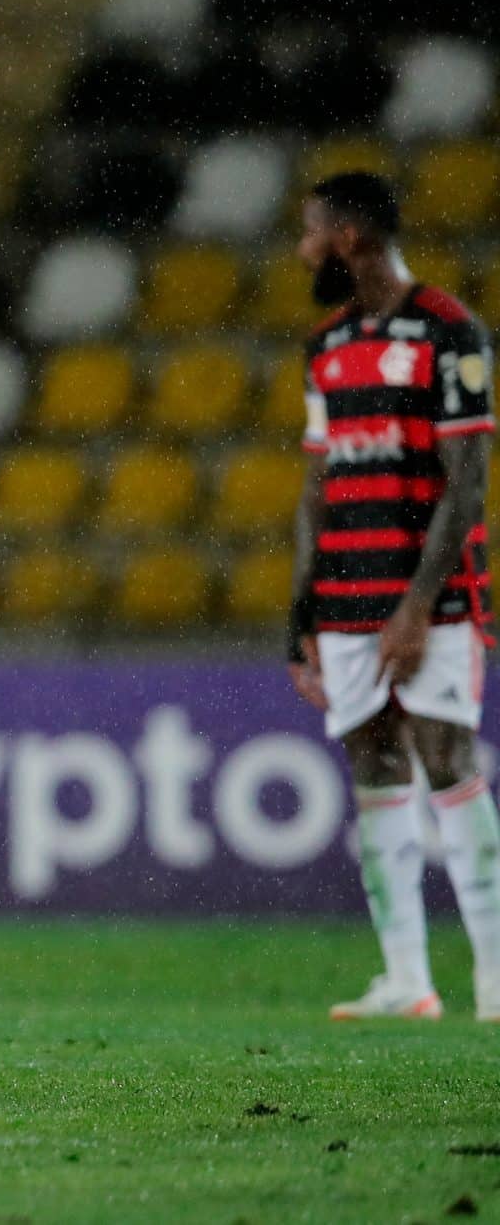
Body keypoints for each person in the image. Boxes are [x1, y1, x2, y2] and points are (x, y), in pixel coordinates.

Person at [285, 171, 500, 1022]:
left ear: (347, 237)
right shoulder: (326, 345)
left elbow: (470, 479)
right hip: (345, 598)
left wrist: (416, 603)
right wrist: (300, 613)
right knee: (373, 770)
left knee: (449, 762)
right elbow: (316, 486)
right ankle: (407, 978)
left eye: (310, 233)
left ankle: (494, 979)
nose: (302, 249)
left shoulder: (452, 332)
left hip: (433, 602)